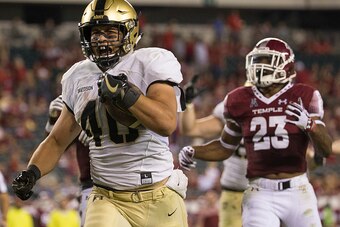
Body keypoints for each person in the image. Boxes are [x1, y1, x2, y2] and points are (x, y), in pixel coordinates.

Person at [11, 0, 188, 227]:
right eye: (94, 33)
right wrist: (32, 173)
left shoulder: (150, 62)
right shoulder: (78, 76)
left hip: (158, 195)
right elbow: (57, 140)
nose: (101, 39)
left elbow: (166, 123)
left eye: (109, 32)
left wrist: (127, 95)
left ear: (129, 32)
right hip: (107, 198)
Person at [179, 37, 332, 227]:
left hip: (297, 189)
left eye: (268, 61)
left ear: (287, 67)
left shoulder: (304, 95)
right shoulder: (238, 99)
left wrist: (310, 124)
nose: (260, 66)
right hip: (260, 192)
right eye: (258, 60)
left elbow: (325, 149)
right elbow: (225, 146)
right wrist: (195, 150)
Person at [179, 76, 249, 227]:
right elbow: (191, 129)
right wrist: (188, 104)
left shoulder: (284, 110)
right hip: (235, 188)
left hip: (271, 186)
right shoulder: (234, 107)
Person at [45, 95, 92, 227]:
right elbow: (53, 147)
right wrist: (52, 120)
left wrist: (102, 133)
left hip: (126, 182)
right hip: (91, 185)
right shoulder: (79, 115)